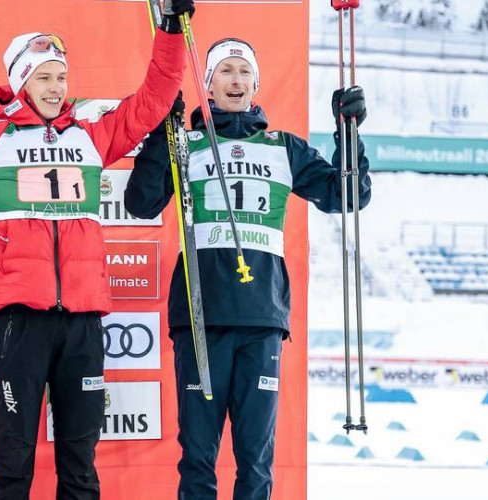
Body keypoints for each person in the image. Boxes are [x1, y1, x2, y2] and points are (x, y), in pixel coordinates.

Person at [0, 2, 194, 499]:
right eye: (44, 78)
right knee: (14, 461)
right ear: (20, 81)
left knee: (80, 464)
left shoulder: (91, 139)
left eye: (61, 78)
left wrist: (170, 30)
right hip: (19, 322)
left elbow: (155, 97)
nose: (56, 88)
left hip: (82, 323)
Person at [125, 37, 371, 499]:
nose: (236, 80)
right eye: (225, 71)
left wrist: (349, 132)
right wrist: (161, 131)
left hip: (261, 321)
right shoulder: (187, 144)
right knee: (198, 455)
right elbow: (140, 203)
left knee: (256, 459)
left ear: (255, 84)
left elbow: (349, 195)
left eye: (244, 72)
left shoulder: (284, 148)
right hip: (201, 318)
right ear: (208, 85)